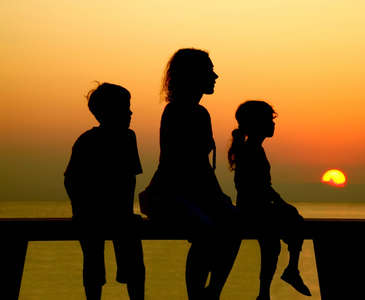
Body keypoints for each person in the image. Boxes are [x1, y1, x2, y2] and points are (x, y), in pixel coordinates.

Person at [141, 48, 240, 300]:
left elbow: (202, 168)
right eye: (209, 71)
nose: (215, 76)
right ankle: (197, 296)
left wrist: (219, 199)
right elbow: (184, 166)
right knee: (207, 232)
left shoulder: (200, 113)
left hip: (193, 196)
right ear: (193, 75)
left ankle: (213, 291)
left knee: (234, 223)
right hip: (168, 197)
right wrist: (215, 199)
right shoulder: (176, 112)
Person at [64, 83, 145, 300]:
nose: (130, 112)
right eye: (125, 107)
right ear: (106, 111)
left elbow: (127, 180)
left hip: (110, 215)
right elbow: (73, 180)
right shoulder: (90, 141)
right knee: (95, 262)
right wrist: (84, 210)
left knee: (130, 263)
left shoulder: (128, 138)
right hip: (91, 215)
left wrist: (125, 212)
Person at [228, 100, 311, 300]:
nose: (273, 124)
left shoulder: (255, 149)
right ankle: (290, 271)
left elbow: (263, 186)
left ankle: (267, 290)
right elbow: (253, 186)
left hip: (255, 207)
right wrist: (278, 203)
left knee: (272, 243)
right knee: (289, 221)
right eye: (269, 119)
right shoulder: (249, 150)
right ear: (257, 123)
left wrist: (278, 201)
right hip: (252, 209)